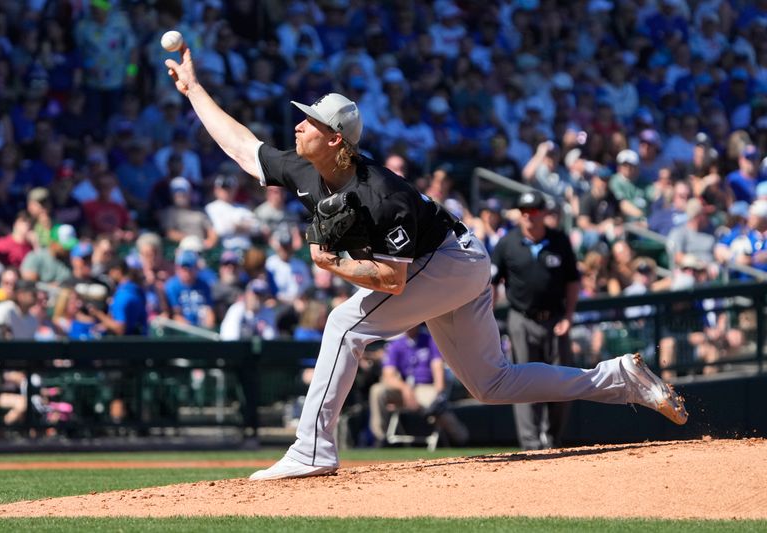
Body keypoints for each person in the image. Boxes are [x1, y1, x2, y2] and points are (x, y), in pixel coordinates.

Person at [164, 47, 688, 481]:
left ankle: (312, 449)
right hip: (448, 266)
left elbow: (391, 281)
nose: (299, 125)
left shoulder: (380, 193)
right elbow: (242, 147)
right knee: (492, 385)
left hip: (450, 262)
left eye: (312, 121)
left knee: (344, 324)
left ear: (337, 139)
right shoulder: (304, 170)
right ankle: (617, 379)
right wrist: (192, 90)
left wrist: (334, 266)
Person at [491, 190, 579, 451]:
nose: (529, 216)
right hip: (522, 318)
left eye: (534, 211)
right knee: (522, 382)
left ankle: (552, 439)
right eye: (524, 212)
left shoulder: (559, 240)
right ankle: (531, 444)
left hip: (555, 319)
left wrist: (569, 317)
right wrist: (488, 319)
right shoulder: (508, 244)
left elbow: (573, 281)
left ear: (544, 213)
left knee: (562, 379)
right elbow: (491, 285)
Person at [369, 325, 469, 447]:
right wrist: (405, 388)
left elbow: (437, 367)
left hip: (425, 387)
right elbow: (388, 375)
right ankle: (381, 439)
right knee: (377, 390)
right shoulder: (396, 344)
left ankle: (461, 439)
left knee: (436, 405)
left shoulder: (430, 339)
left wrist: (439, 392)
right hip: (404, 389)